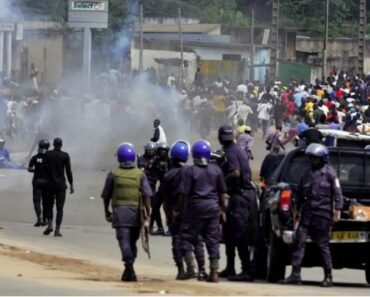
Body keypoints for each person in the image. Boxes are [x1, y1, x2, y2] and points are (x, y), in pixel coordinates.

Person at [281, 143, 343, 287]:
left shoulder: (330, 174)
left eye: (315, 159)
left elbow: (338, 193)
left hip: (323, 215)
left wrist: (337, 211)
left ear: (323, 159)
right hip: (307, 215)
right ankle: (295, 275)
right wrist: (296, 212)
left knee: (323, 246)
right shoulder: (306, 174)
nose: (312, 161)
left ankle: (328, 276)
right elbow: (300, 194)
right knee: (299, 242)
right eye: (311, 158)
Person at [177, 140, 228, 283]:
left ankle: (191, 267)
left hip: (194, 208)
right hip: (213, 208)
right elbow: (222, 193)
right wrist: (222, 210)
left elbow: (183, 194)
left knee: (185, 238)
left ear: (193, 154)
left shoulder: (189, 170)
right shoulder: (216, 170)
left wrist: (177, 211)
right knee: (212, 241)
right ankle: (214, 272)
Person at [101, 143, 152, 282]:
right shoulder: (140, 174)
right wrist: (148, 213)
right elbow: (147, 195)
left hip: (119, 213)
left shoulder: (113, 174)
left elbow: (106, 196)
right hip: (136, 215)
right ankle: (129, 267)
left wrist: (106, 211)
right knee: (132, 242)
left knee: (124, 241)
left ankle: (129, 267)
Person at [218, 125, 258, 282]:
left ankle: (246, 270)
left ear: (221, 138)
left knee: (239, 234)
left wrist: (221, 181)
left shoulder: (231, 152)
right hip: (240, 195)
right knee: (228, 232)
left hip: (240, 196)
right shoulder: (237, 149)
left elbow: (235, 172)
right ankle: (230, 267)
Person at [162, 140, 207, 281]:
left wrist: (169, 214)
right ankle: (201, 270)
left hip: (175, 212)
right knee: (196, 240)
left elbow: (164, 198)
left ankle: (183, 270)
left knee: (177, 241)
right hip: (192, 211)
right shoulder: (191, 171)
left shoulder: (168, 175)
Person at [43, 138, 74, 237]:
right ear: (61, 145)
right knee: (59, 208)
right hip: (61, 186)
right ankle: (57, 230)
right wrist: (71, 184)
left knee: (49, 206)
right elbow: (68, 171)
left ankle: (49, 225)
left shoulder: (48, 154)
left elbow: (44, 168)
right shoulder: (65, 156)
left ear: (53, 144)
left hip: (49, 185)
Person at [149, 142, 171, 235]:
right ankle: (159, 228)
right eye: (160, 150)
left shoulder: (171, 161)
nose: (162, 152)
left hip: (170, 189)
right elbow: (153, 176)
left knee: (169, 209)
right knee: (155, 206)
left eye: (164, 150)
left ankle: (171, 229)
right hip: (162, 187)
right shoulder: (156, 162)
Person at [28, 139, 50, 227]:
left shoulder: (35, 157)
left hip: (37, 181)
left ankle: (39, 218)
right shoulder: (49, 158)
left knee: (37, 201)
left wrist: (36, 170)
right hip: (47, 182)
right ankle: (45, 220)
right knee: (46, 201)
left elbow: (29, 169)